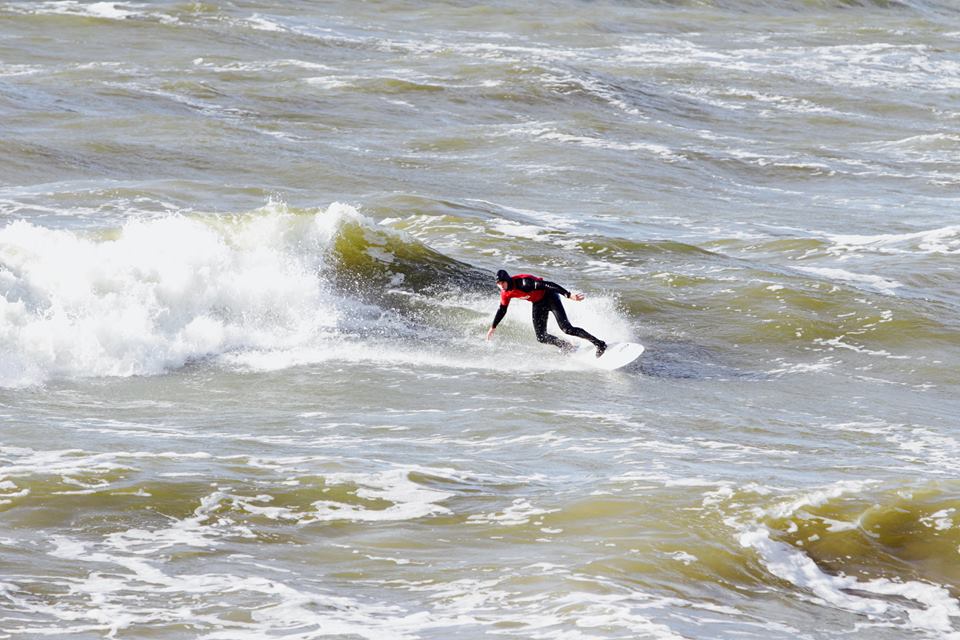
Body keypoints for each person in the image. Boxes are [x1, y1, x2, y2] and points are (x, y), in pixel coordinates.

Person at [485, 270, 607, 357]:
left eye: (502, 283)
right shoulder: (505, 292)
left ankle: (600, 344)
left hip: (550, 298)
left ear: (507, 280)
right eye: (498, 284)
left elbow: (549, 285)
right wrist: (493, 327)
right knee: (541, 337)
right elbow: (502, 309)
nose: (501, 286)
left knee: (567, 329)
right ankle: (566, 346)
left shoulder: (524, 283)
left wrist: (568, 295)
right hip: (538, 304)